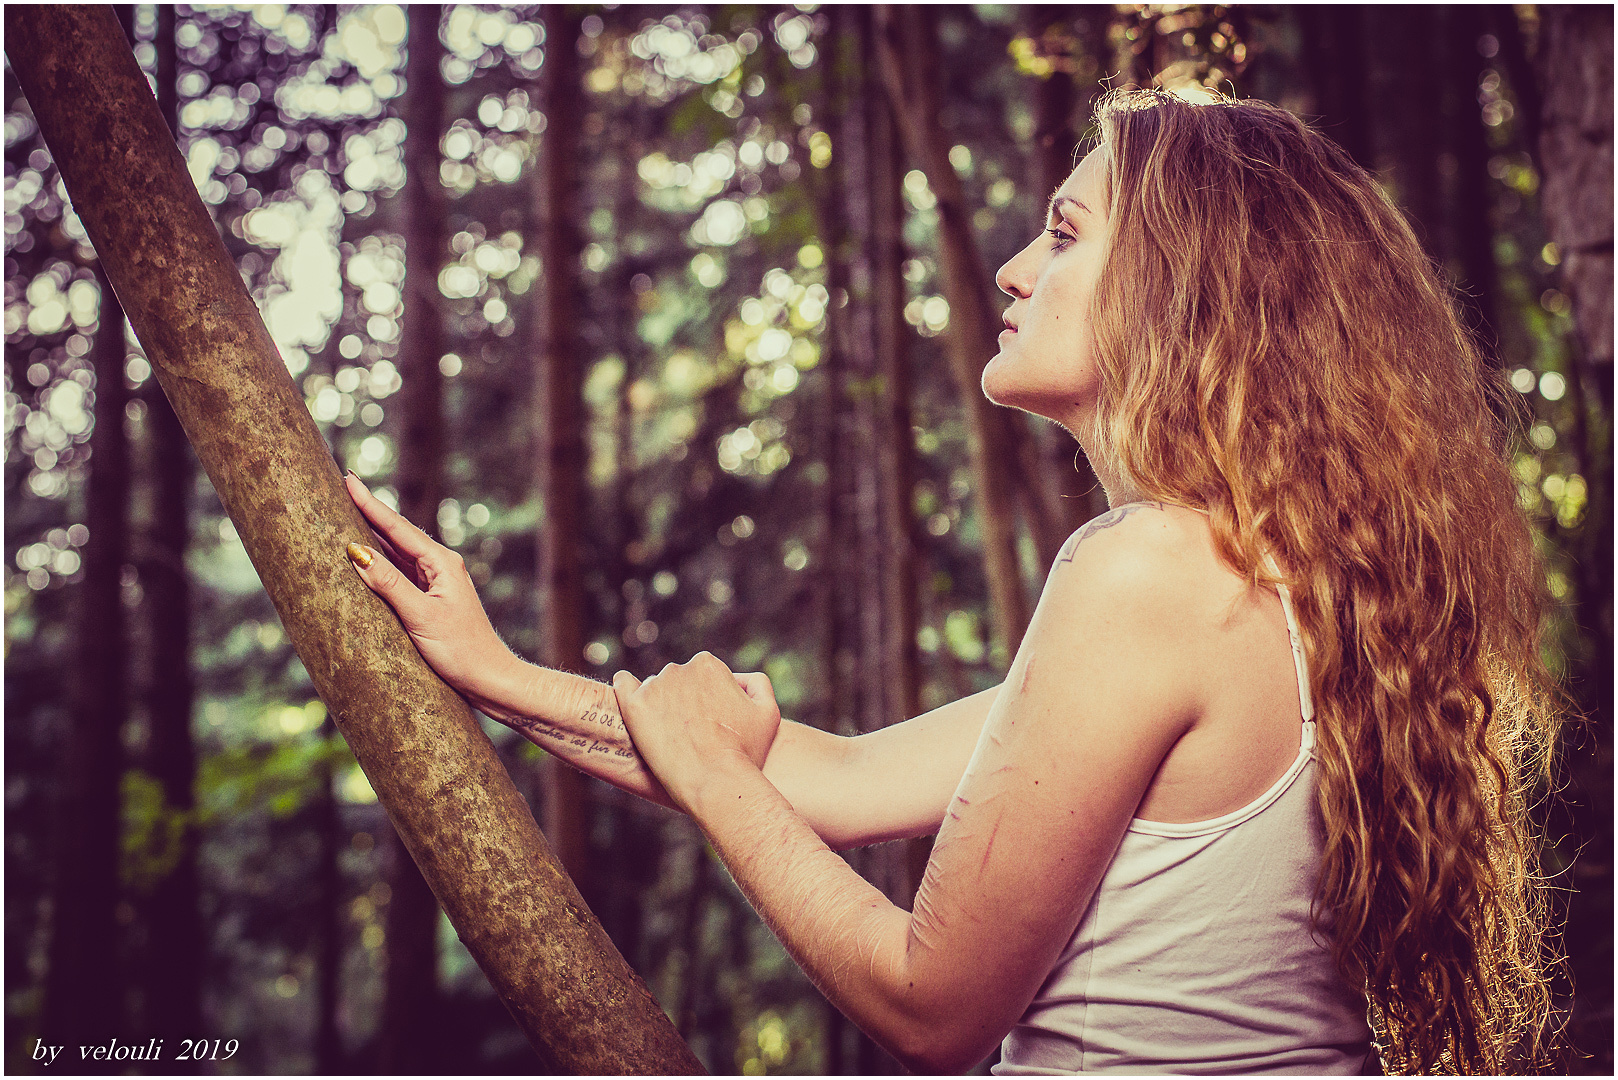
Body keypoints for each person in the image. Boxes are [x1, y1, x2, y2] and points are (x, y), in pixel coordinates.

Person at [344, 88, 1565, 1074]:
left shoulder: (1145, 569)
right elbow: (842, 774)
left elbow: (932, 1011)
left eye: (1068, 232)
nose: (1014, 271)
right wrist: (495, 674)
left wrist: (717, 776)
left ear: (1190, 284)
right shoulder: (1286, 588)